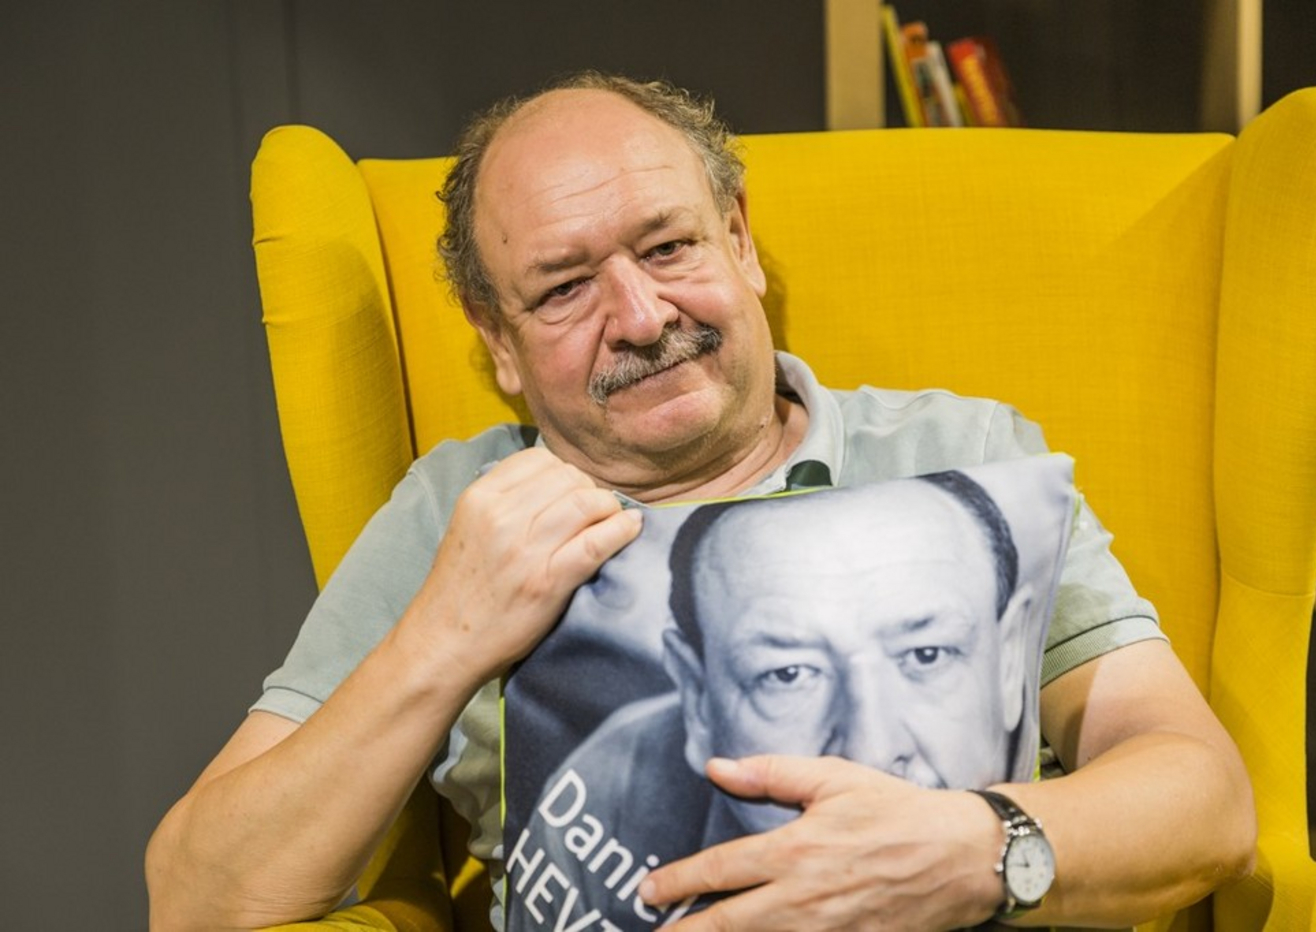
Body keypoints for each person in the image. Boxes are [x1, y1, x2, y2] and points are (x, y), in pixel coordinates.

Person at [145, 71, 1256, 931]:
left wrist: (966, 851)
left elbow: (1204, 801)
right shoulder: (457, 513)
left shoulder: (956, 454)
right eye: (564, 287)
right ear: (498, 341)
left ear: (739, 239)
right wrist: (443, 634)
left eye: (669, 246)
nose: (640, 317)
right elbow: (199, 896)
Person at [506, 467, 1058, 930]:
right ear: (697, 700)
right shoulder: (610, 787)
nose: (869, 749)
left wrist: (990, 853)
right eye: (788, 674)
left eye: (927, 655)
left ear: (1009, 659)